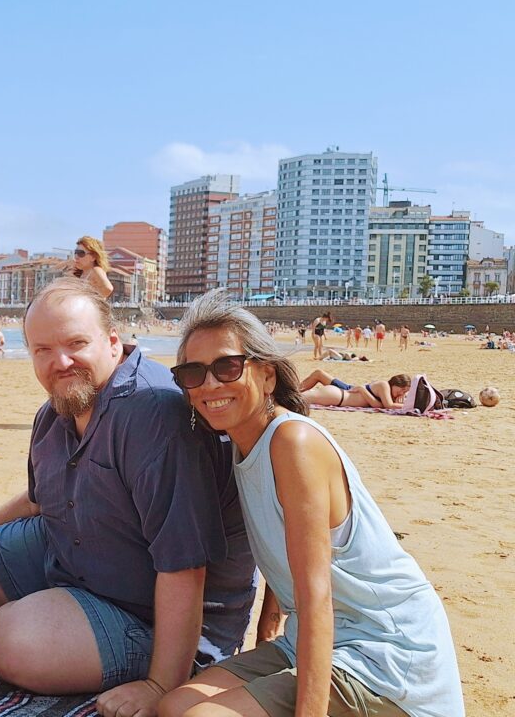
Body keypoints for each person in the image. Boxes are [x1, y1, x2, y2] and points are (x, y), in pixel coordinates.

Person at [159, 291, 463, 717]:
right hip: (314, 636)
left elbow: (316, 593)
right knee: (175, 706)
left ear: (266, 375)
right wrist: (269, 627)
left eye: (227, 367)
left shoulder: (292, 442)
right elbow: (288, 546)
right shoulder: (241, 444)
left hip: (384, 651)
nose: (209, 384)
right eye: (193, 372)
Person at [0, 278, 256, 716]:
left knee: (14, 640)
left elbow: (187, 566)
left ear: (111, 342)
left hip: (152, 614)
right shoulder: (56, 412)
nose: (60, 362)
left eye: (75, 343)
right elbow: (37, 501)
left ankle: (104, 644)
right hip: (77, 554)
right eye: (43, 350)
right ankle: (58, 618)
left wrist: (161, 685)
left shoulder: (154, 414)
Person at [298, 369, 411, 409]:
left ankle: (292, 390)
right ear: (396, 383)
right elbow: (388, 406)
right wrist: (410, 405)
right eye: (402, 389)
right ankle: (292, 389)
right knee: (318, 374)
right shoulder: (384, 385)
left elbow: (382, 405)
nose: (401, 394)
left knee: (318, 375)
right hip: (346, 391)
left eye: (405, 392)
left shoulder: (388, 392)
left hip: (343, 394)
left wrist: (363, 390)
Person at [72, 236, 114, 300]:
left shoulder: (96, 270)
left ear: (93, 257)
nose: (76, 257)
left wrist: (90, 302)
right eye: (76, 253)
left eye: (81, 253)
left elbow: (108, 288)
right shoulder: (82, 272)